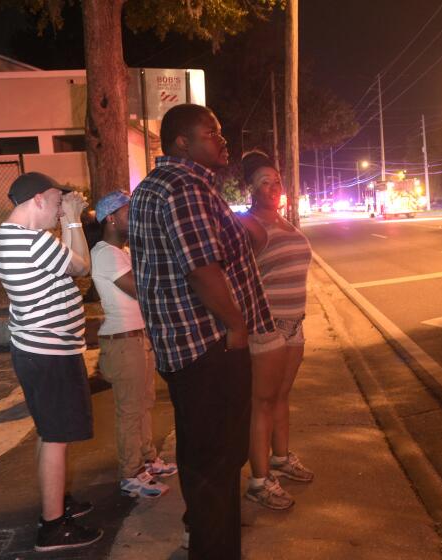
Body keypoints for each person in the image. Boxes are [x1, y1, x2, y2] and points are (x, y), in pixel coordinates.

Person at [128, 103, 278, 560]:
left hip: (183, 347)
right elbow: (201, 269)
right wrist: (235, 326)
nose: (223, 139)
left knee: (200, 453)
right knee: (219, 460)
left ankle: (202, 531)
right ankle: (215, 548)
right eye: (211, 133)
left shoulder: (157, 186)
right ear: (182, 143)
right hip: (208, 344)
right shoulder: (184, 186)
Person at [0, 172, 103, 552]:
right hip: (51, 352)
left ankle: (57, 502)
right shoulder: (33, 242)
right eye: (57, 202)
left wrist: (69, 218)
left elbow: (71, 263)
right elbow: (81, 267)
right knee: (56, 438)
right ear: (38, 200)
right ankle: (53, 527)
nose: (60, 210)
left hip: (37, 349)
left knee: (49, 432)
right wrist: (74, 219)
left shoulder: (6, 236)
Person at [238, 150, 313, 511]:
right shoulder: (248, 225)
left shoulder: (285, 223)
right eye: (262, 181)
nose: (271, 187)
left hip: (293, 324)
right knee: (262, 403)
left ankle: (280, 460)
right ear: (249, 188)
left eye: (276, 181)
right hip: (267, 327)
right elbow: (233, 276)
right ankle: (258, 480)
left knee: (281, 397)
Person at [90, 191, 177, 499]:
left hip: (136, 337)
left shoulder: (121, 251)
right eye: (129, 213)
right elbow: (142, 290)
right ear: (110, 218)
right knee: (129, 410)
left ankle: (148, 459)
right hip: (123, 341)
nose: (134, 219)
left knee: (143, 404)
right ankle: (131, 474)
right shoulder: (105, 253)